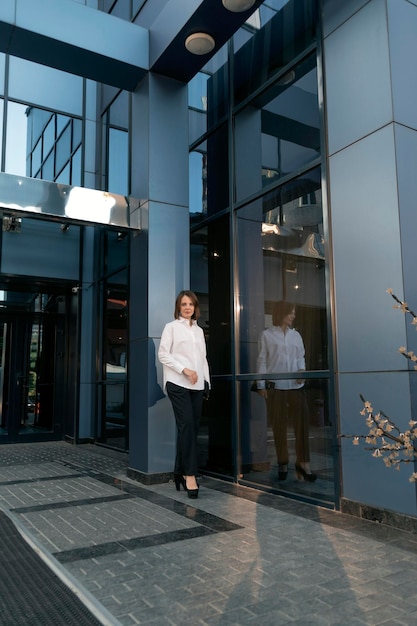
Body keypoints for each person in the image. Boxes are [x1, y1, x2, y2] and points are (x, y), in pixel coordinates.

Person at [158, 290, 210, 499]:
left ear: (195, 307)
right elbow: (163, 354)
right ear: (178, 307)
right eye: (184, 304)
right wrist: (184, 370)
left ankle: (178, 471)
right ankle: (190, 475)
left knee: (189, 429)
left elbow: (203, 359)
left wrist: (207, 382)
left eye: (191, 304)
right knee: (187, 425)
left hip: (197, 387)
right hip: (177, 383)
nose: (187, 307)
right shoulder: (171, 328)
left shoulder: (198, 331)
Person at [256, 301, 317, 482]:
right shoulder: (266, 335)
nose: (293, 316)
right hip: (277, 388)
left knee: (302, 425)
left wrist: (301, 371)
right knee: (279, 427)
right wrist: (261, 385)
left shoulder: (296, 335)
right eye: (291, 313)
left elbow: (301, 357)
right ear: (281, 314)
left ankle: (304, 463)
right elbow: (262, 361)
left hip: (296, 387)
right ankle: (283, 462)